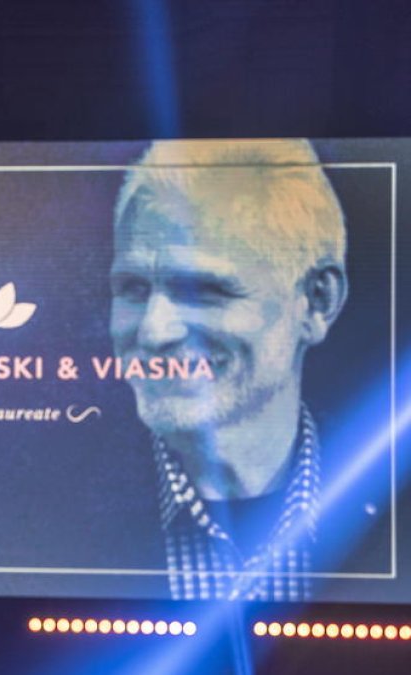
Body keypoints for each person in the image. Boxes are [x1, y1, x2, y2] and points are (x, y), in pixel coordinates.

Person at [109, 139, 351, 600]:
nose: (153, 332)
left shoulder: (389, 504)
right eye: (134, 288)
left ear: (317, 302)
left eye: (202, 290)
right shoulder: (25, 515)